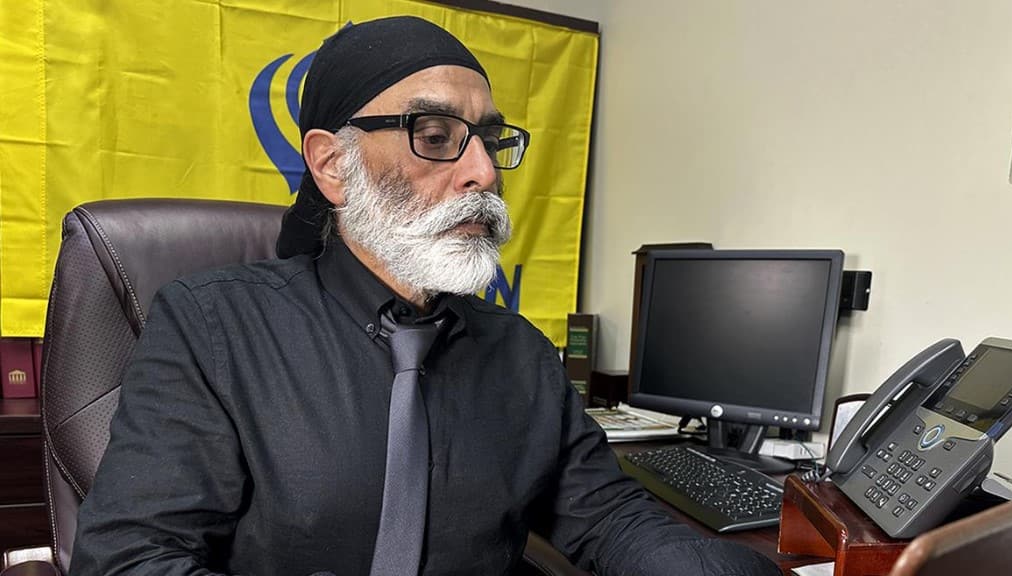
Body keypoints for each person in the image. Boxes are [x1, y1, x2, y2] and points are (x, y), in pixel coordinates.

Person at [70, 16, 781, 576]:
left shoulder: (521, 354)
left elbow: (610, 517)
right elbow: (131, 559)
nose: (483, 172)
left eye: (490, 141)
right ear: (332, 165)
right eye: (435, 135)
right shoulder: (212, 325)